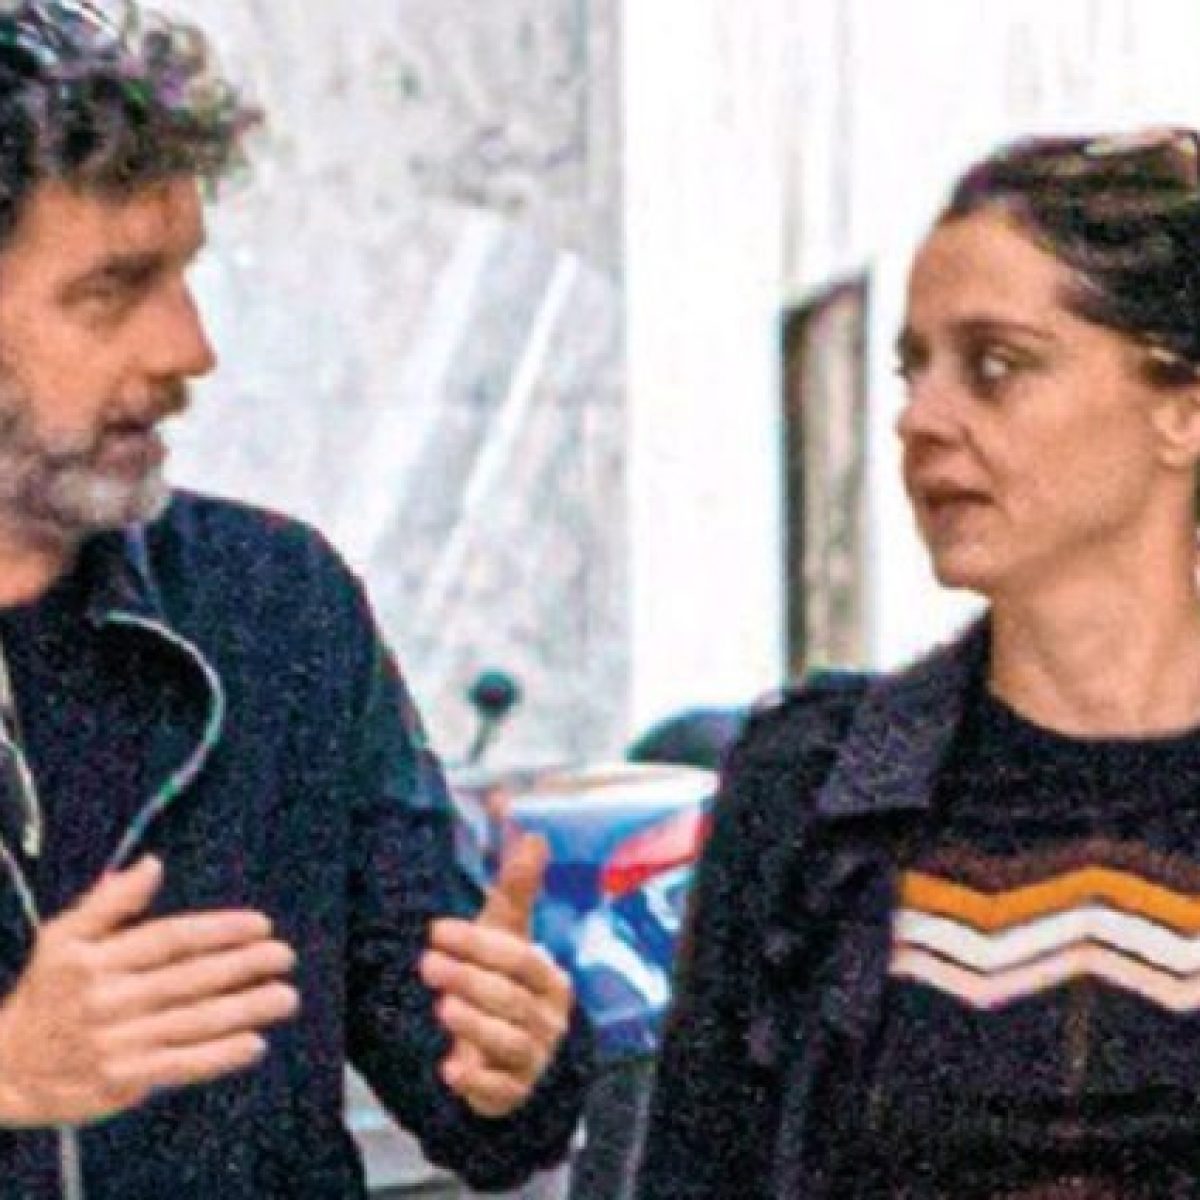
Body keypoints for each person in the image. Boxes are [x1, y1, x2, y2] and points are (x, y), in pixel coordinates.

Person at [0, 2, 592, 1197]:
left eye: (185, 274)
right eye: (114, 289)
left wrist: (516, 1057)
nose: (188, 348)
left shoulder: (277, 608)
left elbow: (464, 1076)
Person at [636, 125, 1200, 1199]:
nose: (920, 421)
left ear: (1182, 409)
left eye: (997, 367)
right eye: (915, 368)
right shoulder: (810, 790)